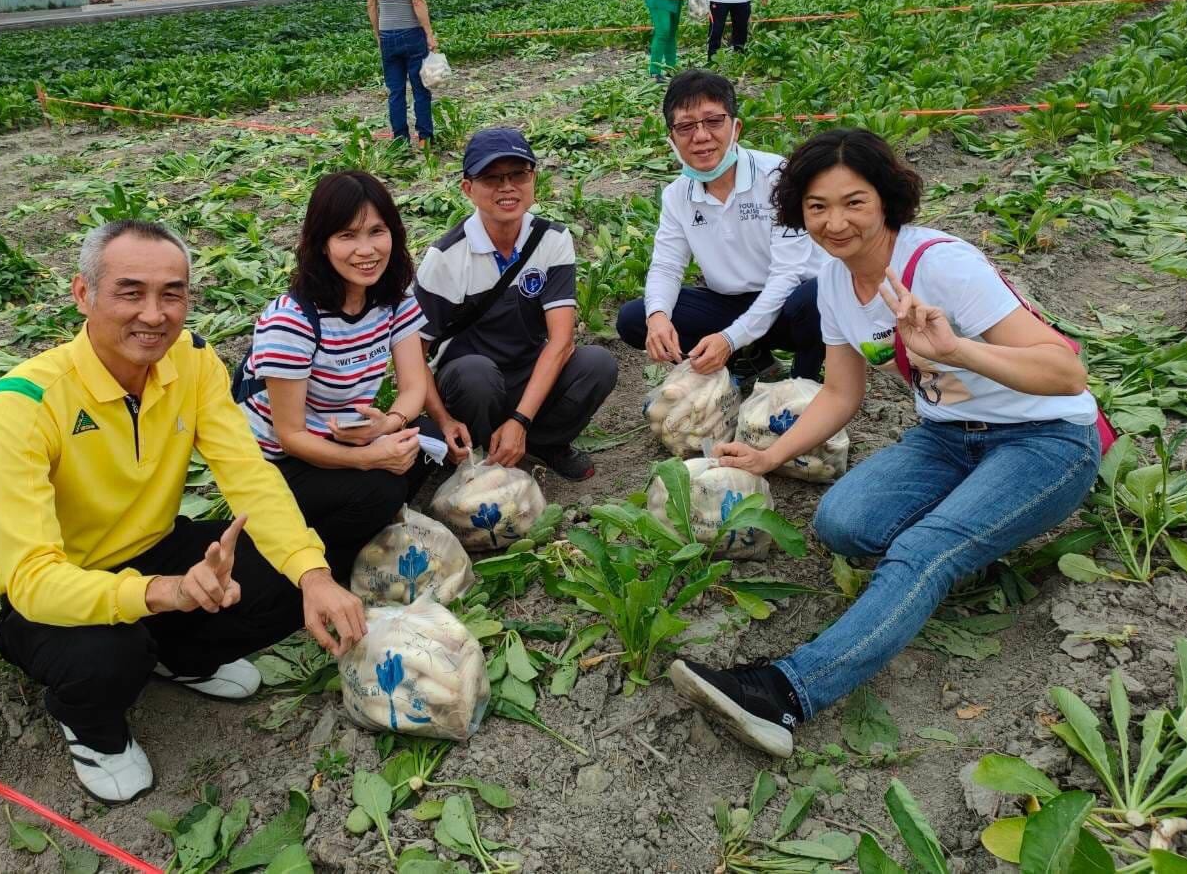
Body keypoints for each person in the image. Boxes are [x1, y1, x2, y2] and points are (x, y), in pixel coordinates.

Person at [669, 129, 1101, 758]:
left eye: (854, 202)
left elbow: (1066, 373)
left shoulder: (942, 265)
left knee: (927, 549)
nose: (835, 222)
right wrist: (768, 457)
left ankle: (786, 694)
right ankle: (965, 534)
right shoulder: (838, 285)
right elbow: (842, 396)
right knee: (843, 524)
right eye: (817, 207)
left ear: (885, 201)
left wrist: (956, 350)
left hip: (1047, 440)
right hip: (949, 439)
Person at [0, 220, 366, 803]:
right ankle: (93, 729)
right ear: (83, 295)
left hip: (154, 548)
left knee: (294, 572)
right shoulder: (23, 404)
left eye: (173, 294)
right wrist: (163, 593)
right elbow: (31, 578)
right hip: (58, 589)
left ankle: (181, 656)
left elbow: (250, 477)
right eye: (130, 292)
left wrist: (312, 573)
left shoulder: (193, 362)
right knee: (109, 651)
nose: (155, 315)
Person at [239, 171, 472, 581]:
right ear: (321, 244)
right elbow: (290, 436)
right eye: (347, 235)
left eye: (376, 232)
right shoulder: (293, 321)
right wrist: (366, 458)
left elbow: (414, 386)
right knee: (380, 488)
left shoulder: (393, 302)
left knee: (427, 436)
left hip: (341, 434)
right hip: (277, 463)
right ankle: (314, 563)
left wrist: (391, 424)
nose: (366, 250)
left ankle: (363, 524)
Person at [414, 128, 618, 482]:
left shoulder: (551, 240)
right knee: (476, 375)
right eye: (492, 178)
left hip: (527, 371)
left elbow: (561, 341)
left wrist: (520, 419)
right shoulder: (446, 258)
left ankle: (543, 441)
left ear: (533, 179)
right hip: (469, 383)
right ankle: (473, 451)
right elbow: (413, 353)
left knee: (596, 365)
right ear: (468, 189)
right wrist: (444, 420)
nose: (507, 187)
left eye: (518, 175)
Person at [617, 69, 824, 386]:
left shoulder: (777, 177)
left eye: (713, 121)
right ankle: (746, 363)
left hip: (790, 304)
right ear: (672, 138)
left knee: (816, 296)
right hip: (731, 302)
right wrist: (657, 317)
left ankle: (803, 386)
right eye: (685, 126)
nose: (700, 137)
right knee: (635, 318)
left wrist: (729, 337)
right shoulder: (677, 196)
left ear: (736, 127)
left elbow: (788, 274)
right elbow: (667, 265)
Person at [362, 0, 438, 147]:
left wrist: (378, 34)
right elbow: (417, 1)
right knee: (420, 88)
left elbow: (371, 5)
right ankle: (425, 139)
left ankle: (400, 143)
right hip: (412, 33)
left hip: (387, 34)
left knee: (395, 92)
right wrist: (429, 33)